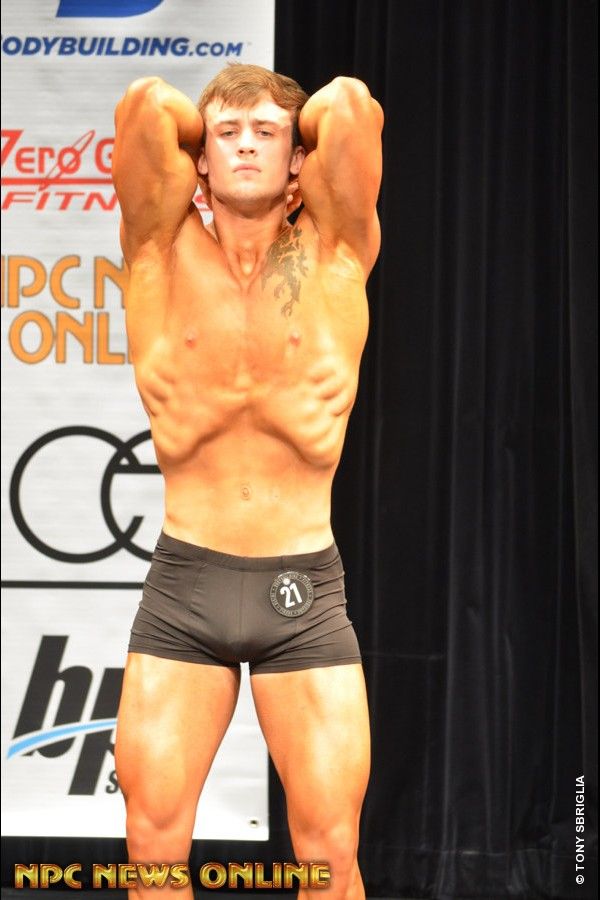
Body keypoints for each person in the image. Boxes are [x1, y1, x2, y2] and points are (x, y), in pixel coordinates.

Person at [112, 63, 383, 900]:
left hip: (303, 594)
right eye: (226, 134)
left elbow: (349, 105)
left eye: (267, 134)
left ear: (300, 158)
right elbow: (145, 105)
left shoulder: (337, 255)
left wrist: (275, 129)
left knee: (329, 856)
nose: (245, 146)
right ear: (198, 156)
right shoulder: (157, 251)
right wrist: (217, 128)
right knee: (152, 851)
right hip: (184, 590)